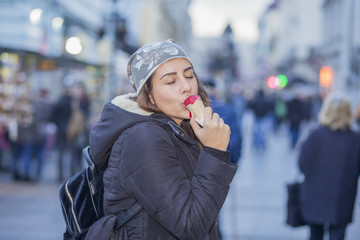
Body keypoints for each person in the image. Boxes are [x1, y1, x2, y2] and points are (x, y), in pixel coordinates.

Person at [88, 39, 237, 239]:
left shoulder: (178, 128)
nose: (187, 87)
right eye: (170, 81)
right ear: (148, 95)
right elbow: (190, 225)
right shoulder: (143, 138)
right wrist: (215, 154)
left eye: (190, 75)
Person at [297, 92, 360, 240]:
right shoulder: (355, 139)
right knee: (338, 235)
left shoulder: (314, 135)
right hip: (342, 197)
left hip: (315, 195)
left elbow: (302, 164)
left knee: (315, 235)